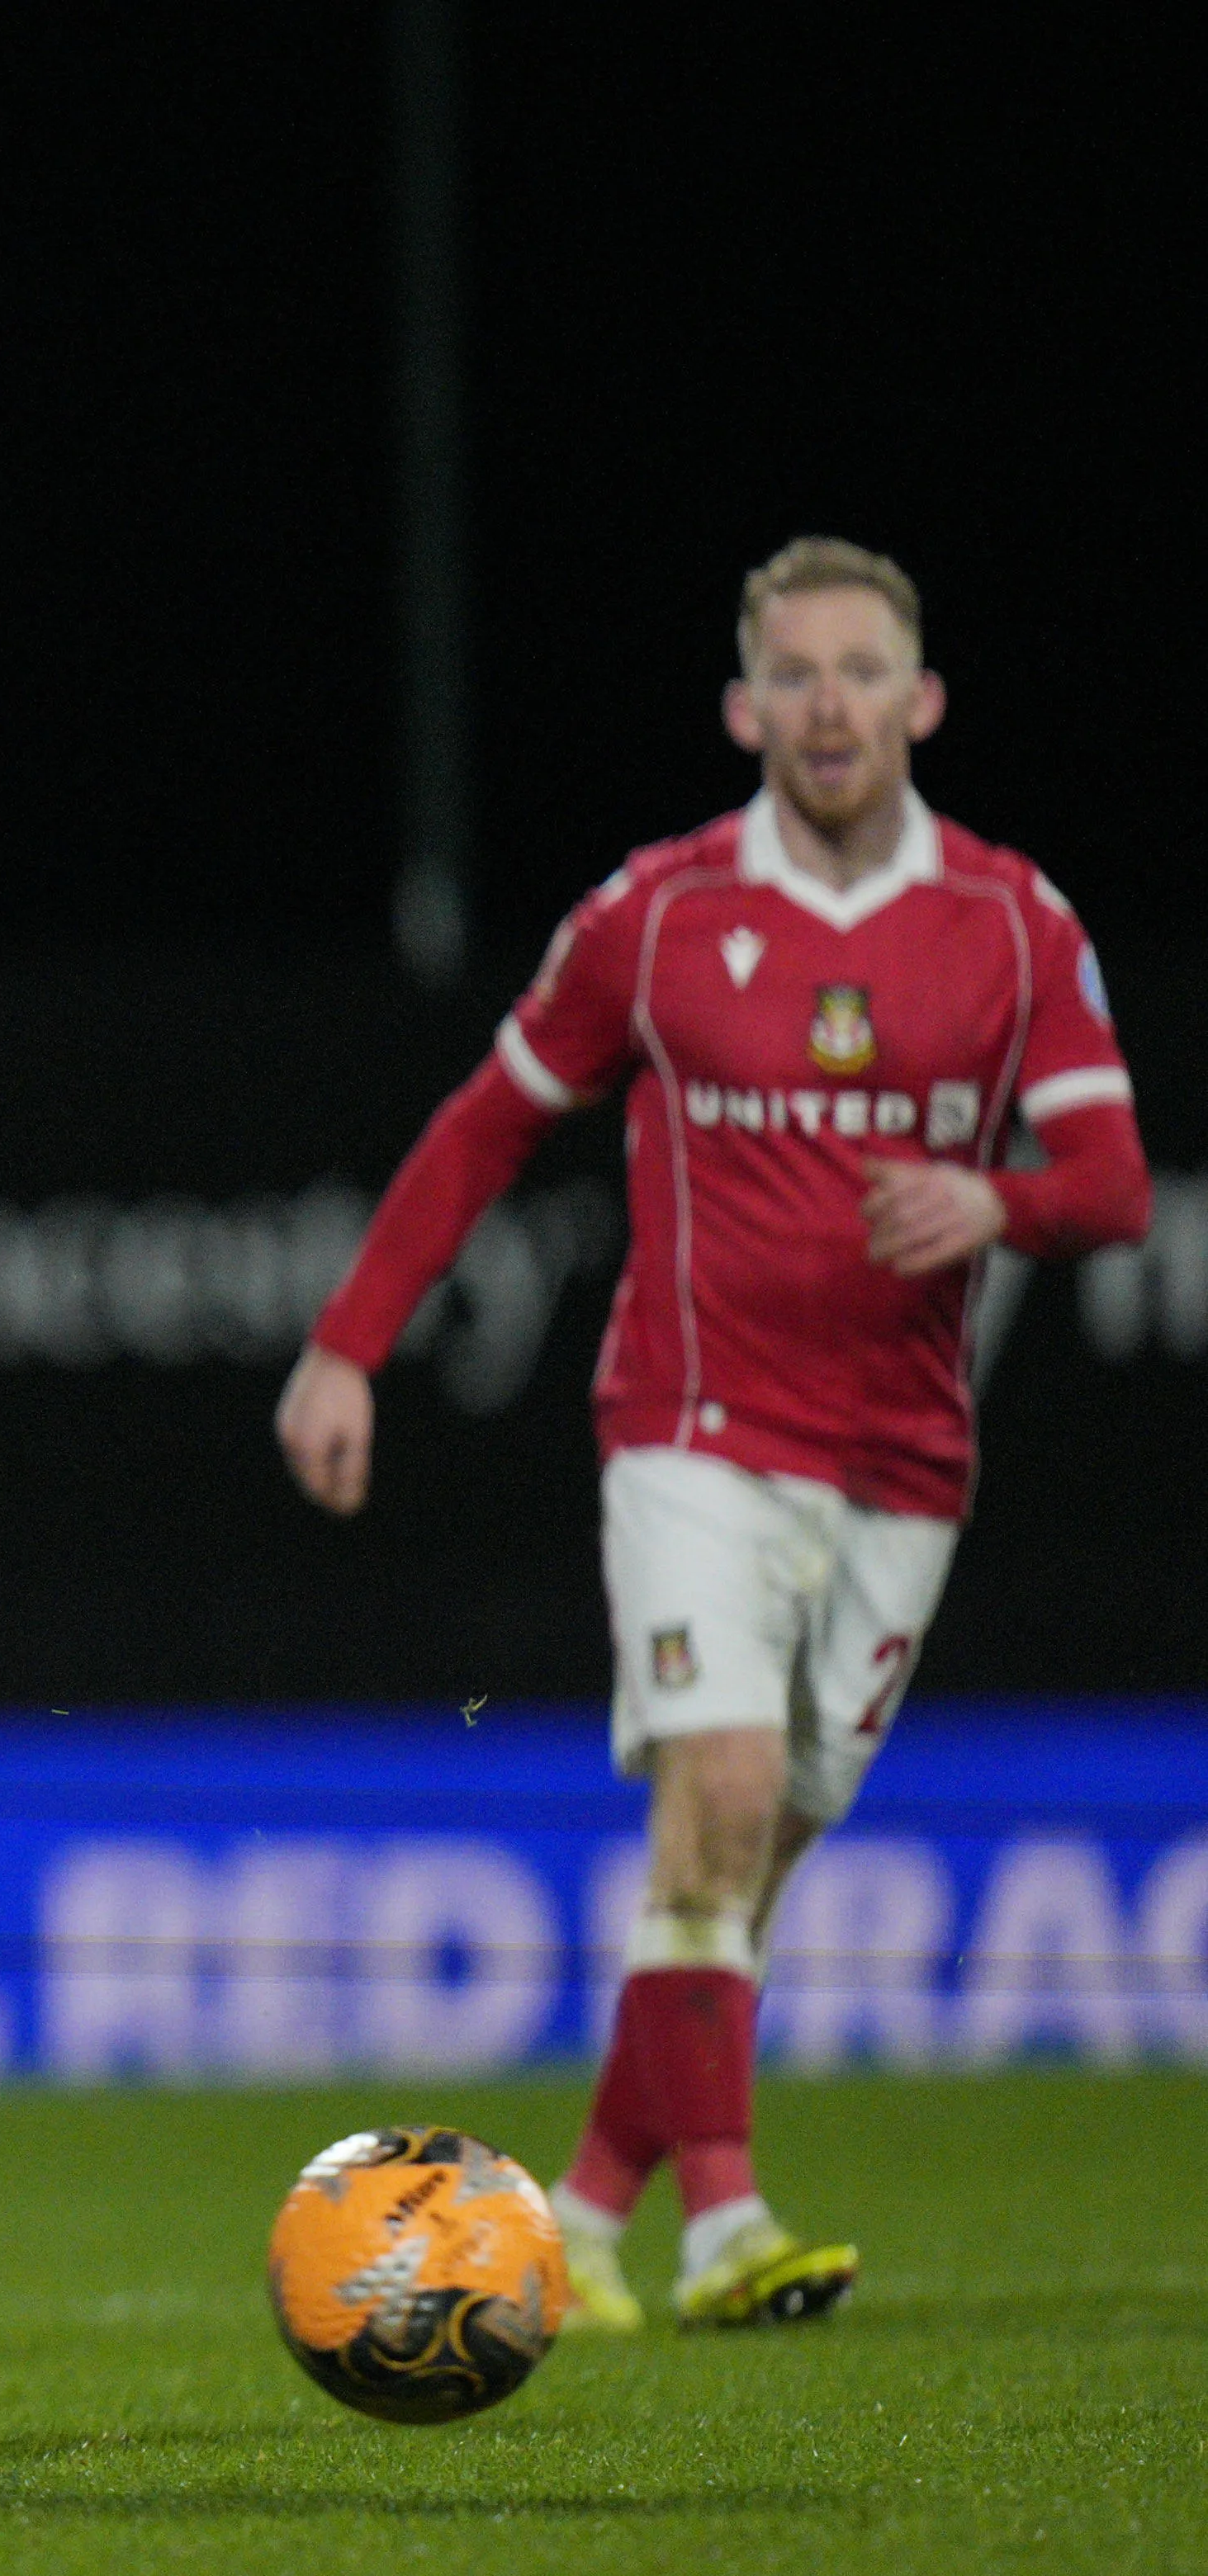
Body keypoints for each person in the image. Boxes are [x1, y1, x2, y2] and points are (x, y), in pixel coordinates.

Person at [277, 536, 1150, 2334]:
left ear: (922, 701)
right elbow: (484, 1126)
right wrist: (347, 1346)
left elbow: (1116, 1185)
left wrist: (999, 1206)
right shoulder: (658, 915)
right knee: (724, 1794)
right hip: (691, 1427)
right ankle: (728, 2230)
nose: (828, 705)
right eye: (795, 675)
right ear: (745, 707)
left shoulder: (1012, 923)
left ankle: (585, 2219)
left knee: (742, 1856)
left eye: (862, 672)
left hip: (906, 1459)